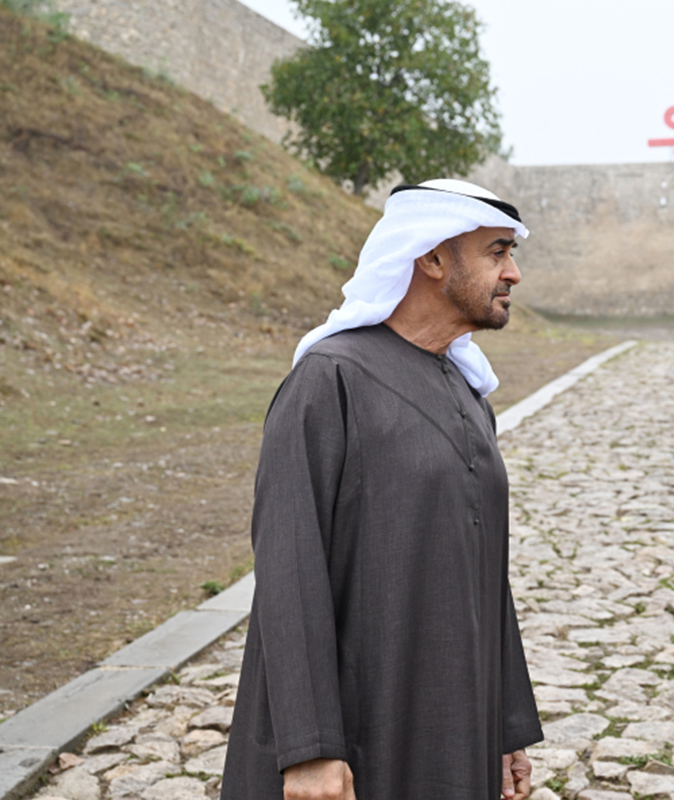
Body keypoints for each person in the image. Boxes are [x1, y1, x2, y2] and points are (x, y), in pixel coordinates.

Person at [222, 179, 543, 800]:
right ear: (433, 258)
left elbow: (485, 569)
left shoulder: (467, 391)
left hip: (454, 722)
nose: (514, 273)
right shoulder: (329, 380)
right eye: (497, 253)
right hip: (356, 729)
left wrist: (505, 726)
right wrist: (311, 749)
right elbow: (289, 569)